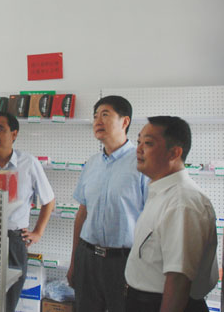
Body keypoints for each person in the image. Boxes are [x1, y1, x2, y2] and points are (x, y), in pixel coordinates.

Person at [124, 116, 217, 312]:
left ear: (174, 152)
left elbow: (178, 280)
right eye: (138, 142)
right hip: (142, 300)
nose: (138, 149)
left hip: (160, 303)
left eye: (148, 143)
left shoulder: (182, 203)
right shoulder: (161, 192)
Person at [67, 96, 148, 312]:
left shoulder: (142, 163)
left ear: (125, 121)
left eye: (105, 115)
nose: (98, 121)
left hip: (125, 262)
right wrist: (75, 261)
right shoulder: (92, 164)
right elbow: (82, 214)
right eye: (95, 116)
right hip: (88, 258)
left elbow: (153, 220)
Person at [0, 112, 55, 312]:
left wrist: (38, 232)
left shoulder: (28, 163)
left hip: (14, 239)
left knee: (9, 299)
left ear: (14, 134)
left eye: (0, 129)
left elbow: (49, 200)